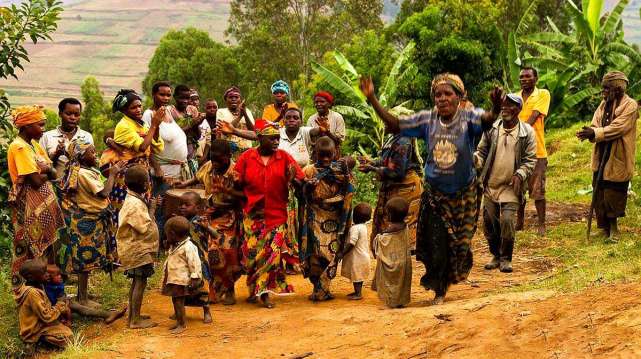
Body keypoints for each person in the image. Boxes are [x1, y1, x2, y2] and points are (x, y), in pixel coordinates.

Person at [360, 73, 503, 304]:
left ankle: (448, 278)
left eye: (448, 94)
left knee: (459, 244)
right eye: (438, 94)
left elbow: (487, 120)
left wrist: (495, 108)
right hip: (435, 194)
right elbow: (395, 124)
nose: (442, 98)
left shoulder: (469, 119)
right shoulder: (427, 121)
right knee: (437, 242)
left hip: (464, 195)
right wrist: (373, 98)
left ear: (459, 97)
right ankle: (439, 289)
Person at [233, 119, 305, 308]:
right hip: (252, 215)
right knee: (252, 255)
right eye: (271, 139)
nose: (275, 142)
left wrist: (292, 180)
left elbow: (300, 180)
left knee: (271, 255)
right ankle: (254, 288)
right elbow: (236, 182)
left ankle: (264, 293)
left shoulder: (284, 157)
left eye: (277, 139)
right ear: (259, 138)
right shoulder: (247, 157)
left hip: (276, 215)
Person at [175, 140, 244, 305]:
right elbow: (198, 177)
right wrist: (183, 184)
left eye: (219, 160)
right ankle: (213, 290)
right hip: (209, 218)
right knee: (211, 253)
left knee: (229, 253)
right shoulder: (209, 167)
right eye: (213, 159)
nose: (215, 163)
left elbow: (242, 198)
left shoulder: (236, 173)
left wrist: (221, 202)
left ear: (229, 157)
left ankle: (229, 289)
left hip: (230, 218)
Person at [59, 139, 124, 306]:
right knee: (84, 261)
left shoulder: (82, 171)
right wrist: (113, 174)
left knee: (85, 261)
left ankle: (83, 295)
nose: (95, 155)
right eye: (92, 153)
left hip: (86, 219)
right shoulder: (83, 173)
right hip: (87, 221)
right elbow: (104, 192)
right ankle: (82, 298)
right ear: (81, 156)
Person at [475, 94, 536, 273]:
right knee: (489, 221)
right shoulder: (492, 129)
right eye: (503, 106)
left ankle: (506, 258)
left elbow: (530, 160)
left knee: (508, 221)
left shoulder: (527, 132)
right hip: (491, 185)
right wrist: (474, 160)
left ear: (518, 109)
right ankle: (495, 254)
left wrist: (520, 174)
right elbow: (481, 152)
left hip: (511, 187)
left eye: (510, 106)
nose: (505, 109)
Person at [8, 106, 65, 288]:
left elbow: (53, 173)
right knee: (28, 248)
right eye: (40, 125)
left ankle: (43, 290)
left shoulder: (34, 145)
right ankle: (27, 292)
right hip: (28, 205)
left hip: (41, 204)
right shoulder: (20, 148)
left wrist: (48, 170)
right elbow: (36, 181)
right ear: (26, 126)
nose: (42, 129)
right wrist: (48, 169)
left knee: (43, 248)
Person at [576, 71, 638, 241]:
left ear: (617, 89)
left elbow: (619, 127)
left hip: (618, 155)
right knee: (599, 190)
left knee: (614, 192)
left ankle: (614, 229)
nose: (603, 91)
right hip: (601, 152)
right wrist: (589, 132)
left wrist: (596, 132)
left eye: (606, 88)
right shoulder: (604, 104)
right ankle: (603, 228)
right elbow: (596, 121)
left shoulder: (630, 106)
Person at [300, 137, 355, 302]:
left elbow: (349, 191)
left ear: (335, 153)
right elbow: (301, 192)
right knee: (314, 254)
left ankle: (323, 288)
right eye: (321, 155)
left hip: (334, 221)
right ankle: (318, 287)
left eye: (328, 155)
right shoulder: (309, 171)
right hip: (314, 218)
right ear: (315, 153)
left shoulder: (342, 171)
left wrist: (345, 176)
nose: (325, 159)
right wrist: (308, 186)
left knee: (331, 253)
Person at [358, 134, 422, 252]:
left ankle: (394, 264)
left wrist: (372, 169)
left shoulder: (403, 141)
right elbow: (388, 161)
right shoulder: (393, 138)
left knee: (397, 229)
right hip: (393, 188)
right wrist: (371, 162)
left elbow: (397, 172)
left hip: (405, 189)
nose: (385, 123)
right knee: (388, 227)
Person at [116, 166, 160, 329]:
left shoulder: (134, 199)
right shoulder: (134, 204)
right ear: (144, 184)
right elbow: (143, 226)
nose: (150, 183)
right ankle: (134, 320)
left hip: (136, 249)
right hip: (137, 251)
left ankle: (134, 315)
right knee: (140, 282)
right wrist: (152, 209)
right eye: (148, 180)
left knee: (137, 282)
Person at [111, 89, 164, 217]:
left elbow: (157, 147)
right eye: (133, 107)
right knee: (127, 212)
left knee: (141, 211)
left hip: (142, 175)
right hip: (126, 178)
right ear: (124, 110)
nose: (138, 109)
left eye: (139, 106)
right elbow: (142, 147)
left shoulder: (142, 124)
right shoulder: (123, 126)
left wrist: (156, 126)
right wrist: (153, 126)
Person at [161, 216, 212, 334]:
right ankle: (179, 321)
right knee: (176, 301)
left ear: (173, 234)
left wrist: (195, 277)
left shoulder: (188, 247)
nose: (166, 236)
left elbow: (195, 263)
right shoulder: (176, 244)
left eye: (167, 233)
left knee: (180, 302)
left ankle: (182, 324)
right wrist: (167, 245)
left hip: (182, 280)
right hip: (174, 280)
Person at [516, 67, 551, 236]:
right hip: (517, 151)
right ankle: (519, 222)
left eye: (528, 76)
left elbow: (535, 115)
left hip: (537, 150)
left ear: (536, 78)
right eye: (521, 77)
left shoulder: (543, 94)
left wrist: (517, 131)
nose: (524, 79)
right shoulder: (514, 97)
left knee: (538, 190)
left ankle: (542, 224)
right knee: (518, 189)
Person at [14, 260, 73, 352]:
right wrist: (60, 304)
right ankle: (36, 343)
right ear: (31, 277)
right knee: (68, 337)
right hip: (34, 330)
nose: (47, 274)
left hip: (41, 324)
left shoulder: (38, 285)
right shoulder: (32, 293)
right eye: (43, 272)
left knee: (66, 330)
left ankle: (41, 340)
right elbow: (47, 316)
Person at [44, 264, 126, 324]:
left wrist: (67, 316)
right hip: (54, 309)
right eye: (57, 275)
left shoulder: (59, 285)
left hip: (63, 304)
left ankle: (108, 314)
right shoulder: (44, 287)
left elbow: (63, 301)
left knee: (83, 310)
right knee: (77, 310)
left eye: (59, 274)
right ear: (49, 278)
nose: (60, 277)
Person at [371, 197, 412, 308]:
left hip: (393, 261)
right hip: (403, 260)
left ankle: (392, 302)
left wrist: (378, 237)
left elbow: (382, 241)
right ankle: (400, 301)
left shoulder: (391, 229)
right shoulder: (405, 226)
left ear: (390, 214)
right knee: (400, 282)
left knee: (391, 283)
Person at [39, 98, 94, 178]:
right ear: (60, 114)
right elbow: (42, 167)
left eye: (76, 115)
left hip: (82, 186)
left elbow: (91, 165)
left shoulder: (86, 136)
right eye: (68, 114)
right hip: (55, 186)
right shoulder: (46, 137)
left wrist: (83, 156)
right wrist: (56, 155)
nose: (73, 118)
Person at [338, 203, 372, 300]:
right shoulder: (363, 227)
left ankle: (358, 294)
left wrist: (342, 253)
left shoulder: (355, 229)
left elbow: (351, 243)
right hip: (363, 256)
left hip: (358, 258)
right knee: (358, 276)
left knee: (357, 276)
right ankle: (357, 291)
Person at [172, 84, 205, 167]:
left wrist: (197, 124)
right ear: (175, 97)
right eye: (181, 98)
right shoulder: (170, 111)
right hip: (176, 153)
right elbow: (174, 135)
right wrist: (192, 124)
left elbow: (197, 136)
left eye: (187, 98)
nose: (185, 101)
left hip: (192, 153)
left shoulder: (192, 109)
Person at [217, 86, 255, 158]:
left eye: (236, 97)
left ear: (240, 100)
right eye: (230, 97)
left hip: (247, 151)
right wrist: (240, 116)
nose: (233, 99)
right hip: (228, 152)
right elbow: (225, 130)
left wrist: (245, 114)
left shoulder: (247, 111)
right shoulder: (221, 112)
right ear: (226, 100)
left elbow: (253, 131)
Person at [307, 91, 346, 156]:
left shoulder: (337, 117)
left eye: (322, 102)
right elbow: (310, 141)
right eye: (316, 102)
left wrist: (327, 131)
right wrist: (320, 131)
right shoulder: (311, 119)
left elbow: (339, 141)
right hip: (316, 156)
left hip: (334, 156)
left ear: (329, 104)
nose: (318, 104)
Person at [197, 98, 218, 165]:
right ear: (205, 108)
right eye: (209, 107)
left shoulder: (220, 120)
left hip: (216, 151)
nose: (212, 109)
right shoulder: (201, 120)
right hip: (204, 152)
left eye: (214, 107)